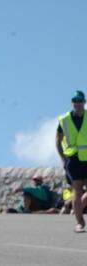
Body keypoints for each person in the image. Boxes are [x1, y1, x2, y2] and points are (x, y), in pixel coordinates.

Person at [56, 90, 87, 233]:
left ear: (84, 102)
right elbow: (58, 141)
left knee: (80, 196)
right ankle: (80, 222)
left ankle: (77, 207)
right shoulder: (65, 120)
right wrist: (63, 159)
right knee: (77, 191)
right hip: (73, 160)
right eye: (74, 100)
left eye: (79, 100)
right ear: (72, 102)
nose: (77, 103)